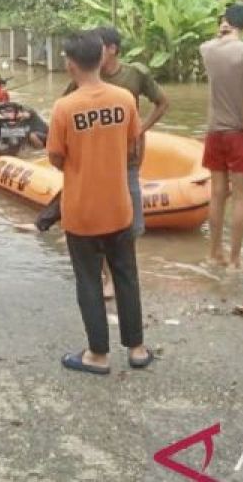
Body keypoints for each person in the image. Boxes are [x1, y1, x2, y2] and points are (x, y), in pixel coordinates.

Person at [48, 31, 152, 375]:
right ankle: (137, 349)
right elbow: (133, 145)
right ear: (102, 57)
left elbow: (55, 158)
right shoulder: (124, 99)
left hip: (81, 212)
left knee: (89, 281)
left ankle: (98, 354)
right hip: (119, 206)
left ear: (70, 64)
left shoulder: (65, 107)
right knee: (126, 277)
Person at [64, 27, 170, 297]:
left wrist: (141, 129)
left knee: (128, 219)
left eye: (99, 46)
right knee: (98, 215)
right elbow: (65, 109)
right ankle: (104, 274)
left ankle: (118, 275)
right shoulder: (84, 78)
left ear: (111, 49)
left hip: (127, 156)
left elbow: (162, 102)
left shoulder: (134, 75)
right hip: (95, 158)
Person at [200, 4, 243, 270]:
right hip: (238, 132)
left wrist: (219, 35)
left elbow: (212, 43)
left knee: (216, 194)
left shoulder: (207, 49)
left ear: (225, 22)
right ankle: (235, 260)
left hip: (214, 131)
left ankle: (214, 253)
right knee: (240, 196)